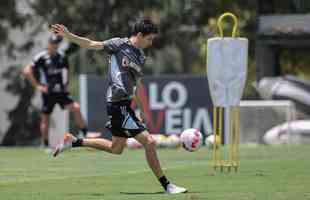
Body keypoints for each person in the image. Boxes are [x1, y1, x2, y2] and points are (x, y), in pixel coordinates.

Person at [50, 19, 187, 194]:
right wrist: (69, 36)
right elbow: (91, 44)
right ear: (139, 35)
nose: (151, 43)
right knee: (149, 142)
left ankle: (74, 141)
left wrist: (143, 110)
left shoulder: (141, 56)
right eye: (149, 39)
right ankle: (167, 185)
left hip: (124, 105)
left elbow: (137, 86)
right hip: (117, 104)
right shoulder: (119, 44)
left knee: (116, 148)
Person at [23, 35, 97, 147]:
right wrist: (38, 86)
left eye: (57, 43)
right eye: (53, 43)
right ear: (49, 43)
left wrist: (66, 84)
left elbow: (67, 70)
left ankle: (85, 134)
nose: (55, 45)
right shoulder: (41, 57)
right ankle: (45, 144)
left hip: (61, 92)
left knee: (76, 108)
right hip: (48, 93)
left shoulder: (62, 56)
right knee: (45, 118)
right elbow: (27, 71)